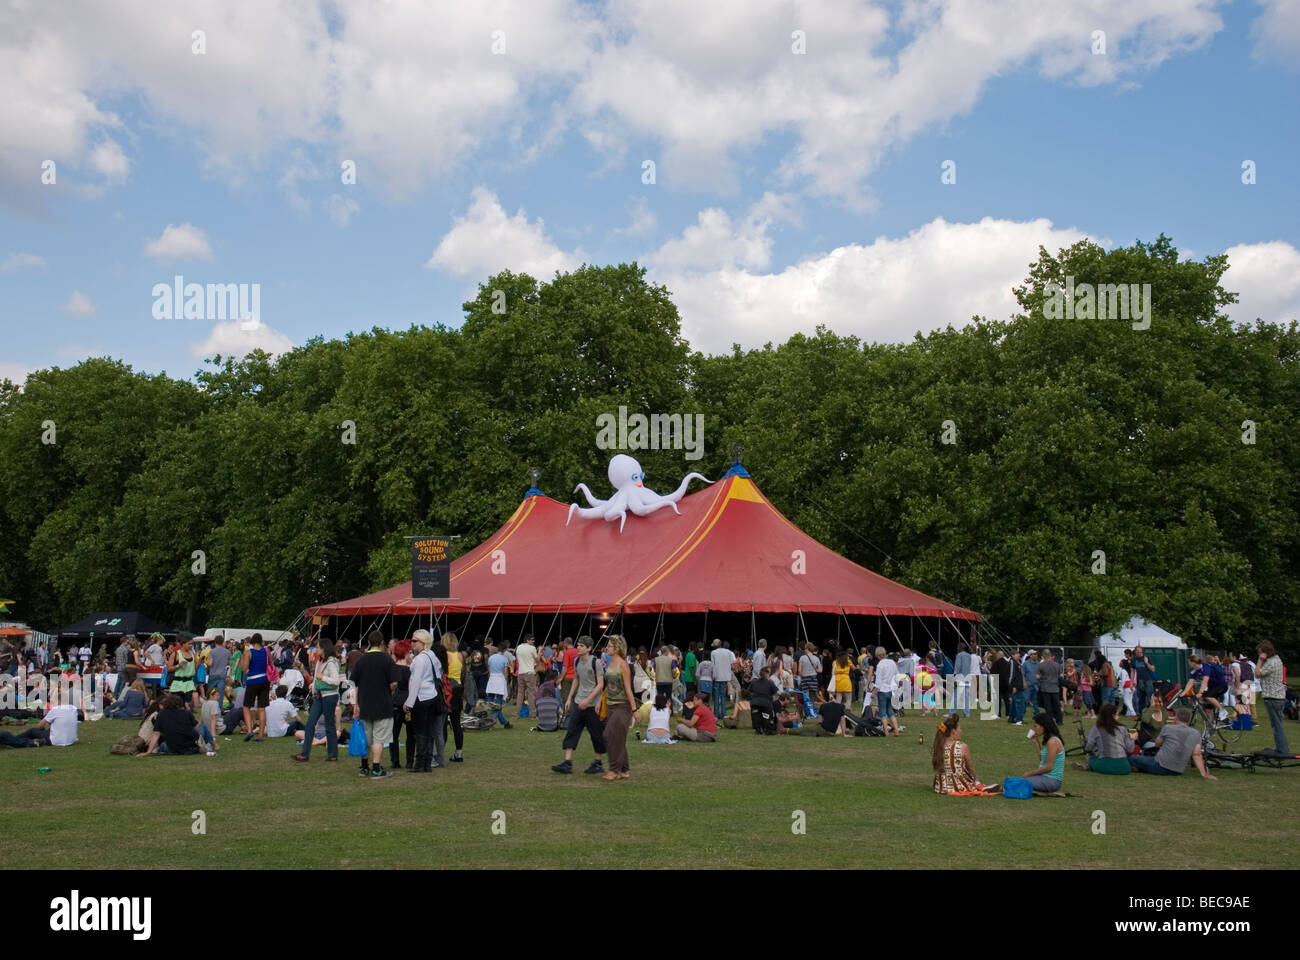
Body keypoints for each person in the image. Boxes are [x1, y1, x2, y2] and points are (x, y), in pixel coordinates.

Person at [553, 636, 607, 774]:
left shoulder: (596, 662)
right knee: (572, 730)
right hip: (579, 701)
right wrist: (570, 698)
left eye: (582, 646)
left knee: (596, 733)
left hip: (592, 704)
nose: (578, 647)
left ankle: (598, 762)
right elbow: (576, 680)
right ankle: (567, 762)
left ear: (589, 648)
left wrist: (588, 700)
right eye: (578, 645)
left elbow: (600, 685)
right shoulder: (576, 661)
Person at [351, 630, 400, 778]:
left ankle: (364, 766)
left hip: (365, 703)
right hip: (382, 704)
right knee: (379, 738)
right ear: (382, 643)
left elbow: (356, 685)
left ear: (368, 642)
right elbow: (394, 683)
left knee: (366, 737)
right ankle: (376, 767)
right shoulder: (387, 660)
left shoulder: (361, 660)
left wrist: (355, 705)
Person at [1128, 707, 1217, 780]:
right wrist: (1204, 774)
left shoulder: (1168, 728)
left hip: (1161, 765)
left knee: (1133, 758)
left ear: (1176, 718)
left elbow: (1157, 744)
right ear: (1188, 720)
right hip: (1178, 770)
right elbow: (1196, 754)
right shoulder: (1196, 733)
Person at [405, 629, 447, 772]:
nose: (412, 643)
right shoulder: (431, 655)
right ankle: (427, 762)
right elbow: (439, 673)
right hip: (432, 695)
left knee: (420, 731)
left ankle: (420, 763)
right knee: (428, 730)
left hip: (421, 697)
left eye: (414, 641)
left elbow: (415, 682)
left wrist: (409, 702)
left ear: (422, 643)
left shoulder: (420, 659)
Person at [294, 638, 341, 762]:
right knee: (310, 723)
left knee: (329, 725)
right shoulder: (320, 661)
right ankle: (305, 753)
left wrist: (322, 677)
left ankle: (332, 754)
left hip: (329, 696)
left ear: (324, 649)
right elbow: (317, 679)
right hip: (319, 696)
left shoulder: (331, 662)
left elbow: (336, 681)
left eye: (318, 647)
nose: (316, 650)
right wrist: (314, 685)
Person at [932, 714, 999, 794]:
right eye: (960, 728)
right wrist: (976, 781)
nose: (961, 731)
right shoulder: (962, 746)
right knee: (982, 785)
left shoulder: (938, 745)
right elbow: (970, 768)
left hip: (942, 786)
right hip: (959, 785)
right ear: (953, 732)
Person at [600, 635, 635, 780]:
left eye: (609, 646)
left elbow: (628, 689)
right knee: (618, 737)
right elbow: (608, 686)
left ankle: (613, 770)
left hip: (622, 706)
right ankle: (624, 769)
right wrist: (599, 701)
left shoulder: (623, 665)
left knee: (608, 735)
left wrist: (634, 710)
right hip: (610, 705)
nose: (607, 648)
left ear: (617, 648)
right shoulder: (609, 662)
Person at [141, 694, 208, 755]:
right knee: (202, 726)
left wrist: (148, 752)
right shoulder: (186, 713)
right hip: (191, 747)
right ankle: (209, 744)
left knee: (163, 745)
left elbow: (156, 734)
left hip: (172, 748)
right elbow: (197, 728)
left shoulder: (161, 715)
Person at [1019, 713, 1065, 795]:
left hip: (1052, 780)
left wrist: (1029, 773)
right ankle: (1038, 791)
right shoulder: (1048, 739)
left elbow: (1048, 767)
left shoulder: (1052, 742)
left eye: (1035, 726)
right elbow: (1043, 760)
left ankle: (1044, 792)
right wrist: (1036, 741)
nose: (1034, 729)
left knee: (1020, 782)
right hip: (1044, 777)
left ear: (1043, 726)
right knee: (1019, 782)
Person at [1257, 641, 1290, 755]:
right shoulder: (1277, 660)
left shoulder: (1271, 662)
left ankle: (1283, 750)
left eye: (1260, 652)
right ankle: (1281, 748)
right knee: (1277, 724)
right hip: (1279, 697)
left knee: (1276, 725)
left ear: (1265, 652)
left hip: (1272, 697)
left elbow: (1257, 673)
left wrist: (1260, 661)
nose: (1259, 655)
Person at [1079, 702, 1132, 774]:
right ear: (1113, 716)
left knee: (1092, 759)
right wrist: (1132, 739)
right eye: (1117, 715)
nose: (1118, 717)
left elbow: (1088, 747)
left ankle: (1088, 766)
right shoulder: (1123, 728)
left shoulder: (1096, 728)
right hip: (1124, 767)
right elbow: (1130, 749)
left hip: (1105, 766)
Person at [240, 634, 271, 742]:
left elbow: (244, 669)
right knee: (262, 709)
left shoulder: (248, 652)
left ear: (252, 642)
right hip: (264, 680)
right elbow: (270, 664)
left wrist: (241, 661)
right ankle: (261, 736)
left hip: (253, 680)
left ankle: (249, 731)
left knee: (246, 706)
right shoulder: (266, 651)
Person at [389, 640, 413, 769]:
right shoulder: (411, 670)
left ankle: (395, 761)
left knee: (393, 734)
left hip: (394, 703)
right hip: (408, 702)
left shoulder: (392, 669)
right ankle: (409, 761)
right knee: (410, 734)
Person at [442, 633, 466, 763]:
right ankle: (459, 753)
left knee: (443, 722)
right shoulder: (460, 655)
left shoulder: (445, 656)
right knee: (456, 724)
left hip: (448, 690)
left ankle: (440, 752)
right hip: (458, 689)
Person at [870, 647, 900, 736]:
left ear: (877, 655)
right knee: (890, 711)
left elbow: (878, 681)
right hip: (891, 690)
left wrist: (873, 692)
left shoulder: (880, 665)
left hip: (882, 691)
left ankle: (886, 732)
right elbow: (897, 675)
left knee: (883, 712)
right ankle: (896, 730)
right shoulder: (892, 663)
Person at [485, 643, 513, 729]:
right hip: (500, 679)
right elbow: (505, 672)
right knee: (498, 704)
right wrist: (506, 680)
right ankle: (490, 723)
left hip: (492, 679)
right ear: (504, 650)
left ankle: (505, 723)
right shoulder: (504, 659)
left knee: (490, 703)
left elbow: (489, 669)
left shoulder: (491, 658)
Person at [167, 636, 199, 710]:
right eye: (189, 644)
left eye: (192, 644)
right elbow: (169, 669)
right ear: (183, 644)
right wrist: (179, 665)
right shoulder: (176, 654)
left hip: (189, 683)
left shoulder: (192, 654)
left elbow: (194, 670)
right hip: (178, 683)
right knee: (177, 705)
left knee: (187, 705)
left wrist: (199, 662)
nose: (191, 646)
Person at [710, 639, 736, 719]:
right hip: (725, 677)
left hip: (717, 677)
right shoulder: (728, 652)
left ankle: (716, 714)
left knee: (717, 696)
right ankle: (724, 714)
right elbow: (732, 664)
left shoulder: (713, 653)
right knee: (723, 696)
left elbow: (712, 666)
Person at [515, 633, 538, 717]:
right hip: (529, 673)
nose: (533, 641)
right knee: (531, 694)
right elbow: (537, 660)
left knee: (520, 694)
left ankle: (517, 713)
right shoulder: (532, 648)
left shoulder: (519, 647)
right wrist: (540, 652)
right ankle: (532, 714)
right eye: (532, 640)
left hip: (520, 673)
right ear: (527, 640)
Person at [1036, 651, 1062, 724]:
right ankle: (1059, 720)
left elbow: (1037, 677)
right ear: (1050, 656)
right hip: (1055, 688)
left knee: (1048, 705)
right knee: (1057, 705)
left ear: (1043, 656)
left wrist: (1043, 677)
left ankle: (1050, 720)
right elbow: (1060, 676)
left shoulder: (1041, 665)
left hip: (1045, 687)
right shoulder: (1057, 665)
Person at [1130, 645, 1155, 716]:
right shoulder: (1133, 660)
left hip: (1148, 680)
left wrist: (1147, 663)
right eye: (1138, 652)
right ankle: (1142, 715)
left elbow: (1153, 669)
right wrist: (1131, 682)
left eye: (1141, 652)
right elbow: (1132, 671)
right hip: (1139, 681)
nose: (1140, 653)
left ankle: (1151, 714)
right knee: (1140, 699)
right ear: (1135, 652)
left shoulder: (1146, 658)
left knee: (1150, 697)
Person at [207, 636, 230, 708]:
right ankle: (219, 709)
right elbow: (230, 663)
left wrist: (205, 662)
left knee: (211, 692)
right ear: (223, 642)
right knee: (220, 693)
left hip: (213, 674)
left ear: (215, 642)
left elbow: (210, 663)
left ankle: (210, 708)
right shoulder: (227, 651)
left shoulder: (212, 651)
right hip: (222, 674)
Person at [199, 686, 223, 755]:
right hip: (220, 729)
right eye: (217, 695)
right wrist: (213, 733)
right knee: (237, 711)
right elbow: (213, 717)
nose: (219, 697)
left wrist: (200, 727)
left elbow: (202, 718)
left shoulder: (204, 703)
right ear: (211, 695)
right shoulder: (215, 703)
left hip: (207, 728)